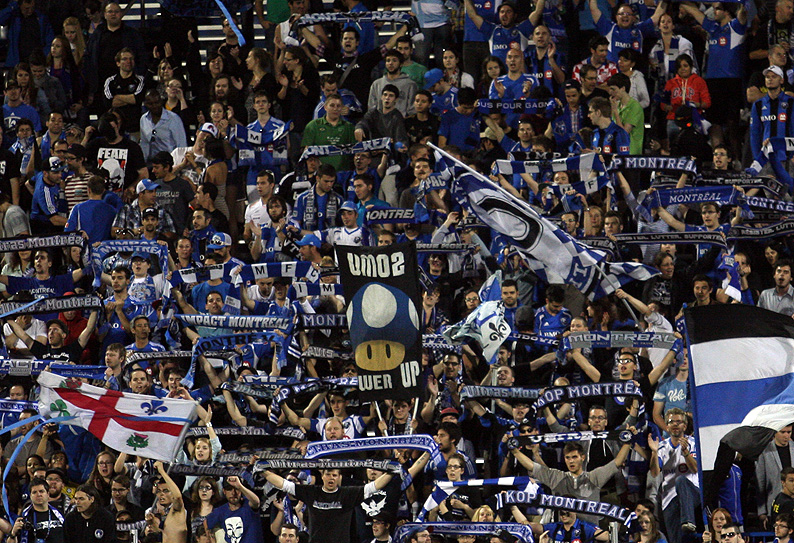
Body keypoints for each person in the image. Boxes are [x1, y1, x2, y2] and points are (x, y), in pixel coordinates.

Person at [263, 467, 394, 543]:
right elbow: (284, 484)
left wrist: (392, 471)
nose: (331, 478)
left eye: (334, 475)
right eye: (328, 474)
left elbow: (374, 486)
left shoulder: (348, 494)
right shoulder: (312, 492)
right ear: (322, 476)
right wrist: (263, 471)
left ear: (339, 477)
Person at [649, 408, 699, 543]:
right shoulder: (662, 446)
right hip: (669, 498)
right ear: (667, 426)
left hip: (692, 492)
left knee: (681, 480)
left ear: (685, 426)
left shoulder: (693, 443)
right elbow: (654, 472)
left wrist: (685, 453)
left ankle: (688, 521)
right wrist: (654, 453)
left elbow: (695, 469)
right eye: (671, 422)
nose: (675, 424)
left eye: (679, 422)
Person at [204, 476, 263, 543]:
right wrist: (210, 538)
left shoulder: (248, 505)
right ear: (224, 491)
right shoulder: (221, 511)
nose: (233, 493)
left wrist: (239, 486)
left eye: (236, 489)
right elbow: (206, 522)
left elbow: (256, 502)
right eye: (229, 489)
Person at [758, 425, 794, 528]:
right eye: (783, 432)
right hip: (774, 507)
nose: (786, 436)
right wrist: (762, 511)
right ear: (774, 432)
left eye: (789, 432)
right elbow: (760, 482)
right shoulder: (765, 451)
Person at [140, 89, 187, 164]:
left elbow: (181, 145)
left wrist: (178, 165)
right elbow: (144, 143)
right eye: (150, 104)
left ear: (161, 101)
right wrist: (143, 163)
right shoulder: (143, 119)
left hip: (170, 163)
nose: (154, 106)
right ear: (145, 104)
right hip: (151, 163)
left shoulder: (174, 119)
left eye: (156, 102)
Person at [368, 49, 418, 116]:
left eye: (394, 60)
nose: (390, 63)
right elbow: (371, 108)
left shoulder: (410, 84)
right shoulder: (377, 84)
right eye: (388, 60)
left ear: (401, 64)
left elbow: (412, 110)